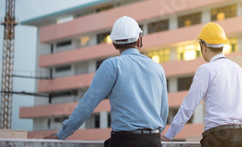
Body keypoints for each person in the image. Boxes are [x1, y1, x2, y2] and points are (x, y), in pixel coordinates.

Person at [44, 16, 168, 147]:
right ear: (138, 40)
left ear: (114, 43)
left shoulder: (112, 65)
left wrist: (61, 134)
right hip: (153, 142)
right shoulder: (157, 68)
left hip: (124, 142)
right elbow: (163, 112)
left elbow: (87, 104)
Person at [162, 22, 242, 147]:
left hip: (218, 138)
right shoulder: (239, 70)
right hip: (241, 137)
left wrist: (169, 135)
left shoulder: (206, 70)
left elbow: (189, 106)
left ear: (203, 45)